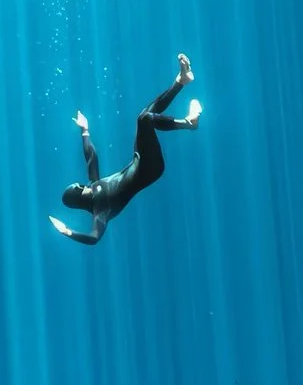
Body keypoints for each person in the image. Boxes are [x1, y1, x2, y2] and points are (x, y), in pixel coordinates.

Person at [50, 54, 202, 245]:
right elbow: (94, 237)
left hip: (138, 159)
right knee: (144, 120)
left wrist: (85, 130)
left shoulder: (94, 184)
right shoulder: (100, 209)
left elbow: (91, 157)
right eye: (80, 187)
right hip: (150, 169)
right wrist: (67, 232)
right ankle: (189, 123)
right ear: (79, 194)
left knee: (144, 115)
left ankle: (181, 80)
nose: (83, 185)